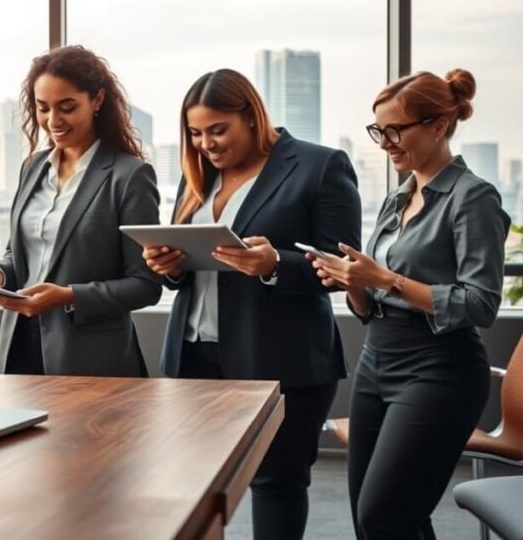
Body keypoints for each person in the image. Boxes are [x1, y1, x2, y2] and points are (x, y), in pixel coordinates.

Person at [143, 69, 361, 540]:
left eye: (218, 130)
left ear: (252, 116)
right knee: (193, 488)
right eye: (196, 134)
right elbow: (190, 268)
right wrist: (171, 265)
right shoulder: (197, 173)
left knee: (276, 484)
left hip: (281, 357)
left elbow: (343, 268)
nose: (207, 144)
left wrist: (274, 264)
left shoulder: (320, 166)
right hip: (194, 355)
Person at [312, 69, 509, 540]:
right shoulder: (396, 199)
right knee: (374, 517)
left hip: (440, 369)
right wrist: (352, 281)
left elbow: (481, 303)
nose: (385, 142)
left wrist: (384, 277)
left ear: (438, 126)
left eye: (396, 130)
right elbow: (371, 303)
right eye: (379, 131)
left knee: (385, 515)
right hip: (378, 358)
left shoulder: (473, 197)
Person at [0, 45, 161, 376]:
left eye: (67, 107)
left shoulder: (129, 177)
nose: (53, 121)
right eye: (43, 108)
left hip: (90, 359)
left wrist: (68, 296)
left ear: (97, 100)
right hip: (20, 347)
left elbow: (145, 284)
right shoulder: (33, 167)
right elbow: (20, 257)